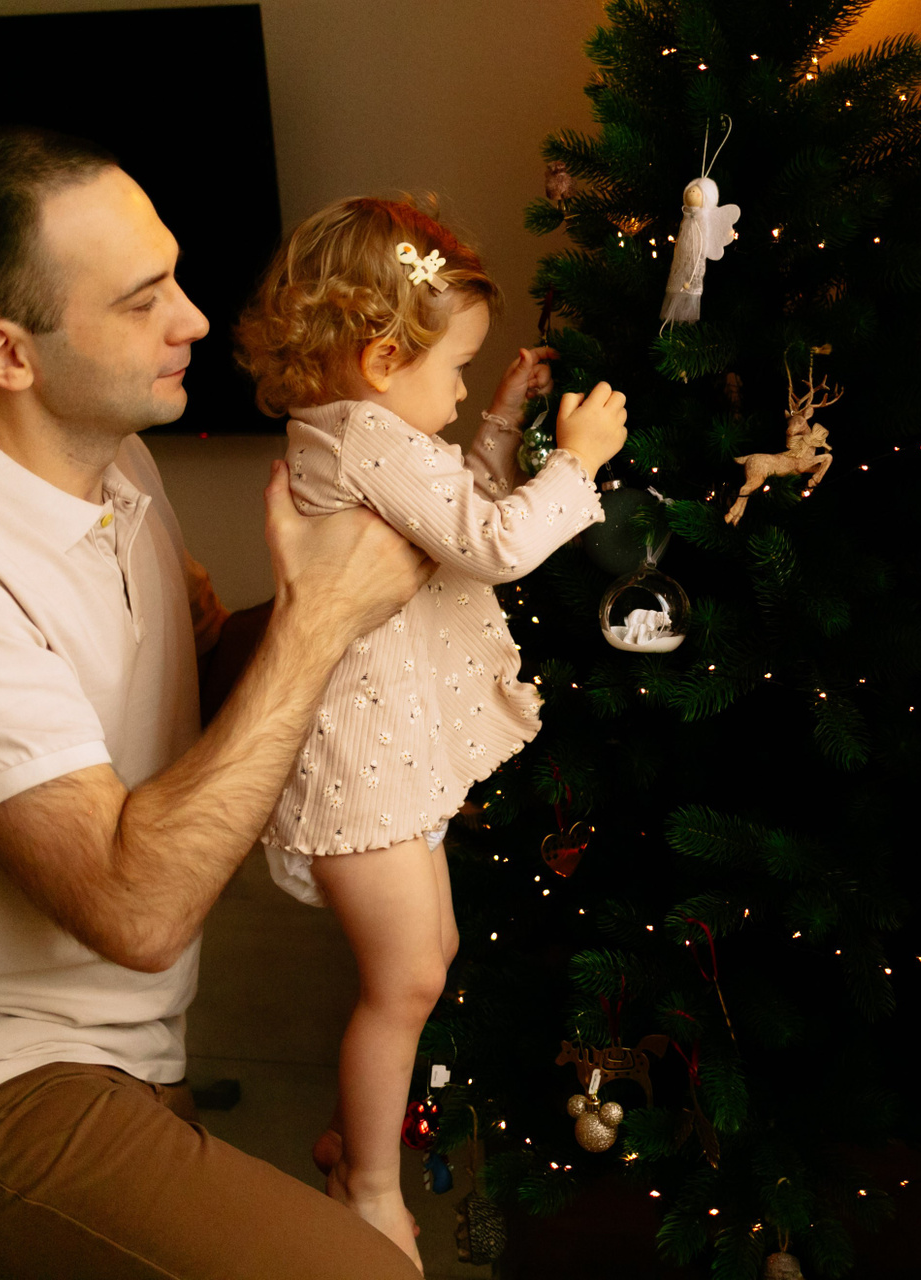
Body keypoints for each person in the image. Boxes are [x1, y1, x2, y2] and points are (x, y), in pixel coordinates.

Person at [0, 128, 434, 1279]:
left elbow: (198, 696)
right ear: (8, 352)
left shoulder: (116, 466)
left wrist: (364, 590)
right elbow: (138, 911)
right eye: (143, 301)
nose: (194, 319)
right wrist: (321, 617)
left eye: (174, 276)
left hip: (117, 1042)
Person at [233, 197, 628, 1271]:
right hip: (361, 755)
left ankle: (345, 1133)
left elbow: (452, 503)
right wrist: (577, 459)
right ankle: (365, 1183)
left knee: (426, 960)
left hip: (387, 739)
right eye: (456, 369)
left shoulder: (362, 428)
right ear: (381, 359)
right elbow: (490, 541)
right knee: (405, 979)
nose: (458, 391)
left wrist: (495, 421)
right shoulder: (364, 435)